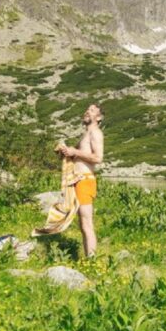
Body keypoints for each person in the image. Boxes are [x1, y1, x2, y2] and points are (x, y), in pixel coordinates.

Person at [54, 103, 104, 258]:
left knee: (86, 222)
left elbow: (98, 158)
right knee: (82, 224)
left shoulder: (95, 133)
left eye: (92, 110)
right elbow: (78, 155)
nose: (87, 112)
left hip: (85, 180)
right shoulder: (86, 135)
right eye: (87, 109)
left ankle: (92, 260)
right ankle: (89, 257)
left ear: (99, 117)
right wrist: (66, 152)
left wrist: (74, 151)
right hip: (77, 180)